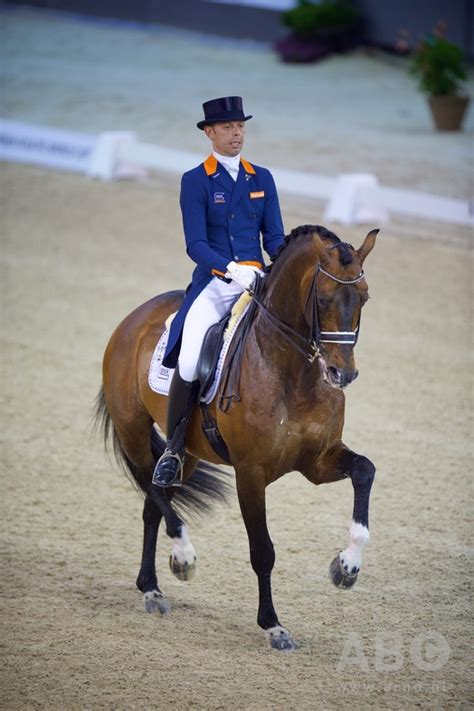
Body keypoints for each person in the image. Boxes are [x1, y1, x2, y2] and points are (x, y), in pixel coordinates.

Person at [153, 96, 285, 487]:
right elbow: (195, 243)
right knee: (191, 358)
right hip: (215, 282)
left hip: (258, 282)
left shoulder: (261, 178)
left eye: (241, 126)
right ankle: (175, 449)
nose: (237, 133)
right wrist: (229, 269)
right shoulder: (195, 181)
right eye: (228, 127)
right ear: (209, 133)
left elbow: (274, 237)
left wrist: (287, 261)